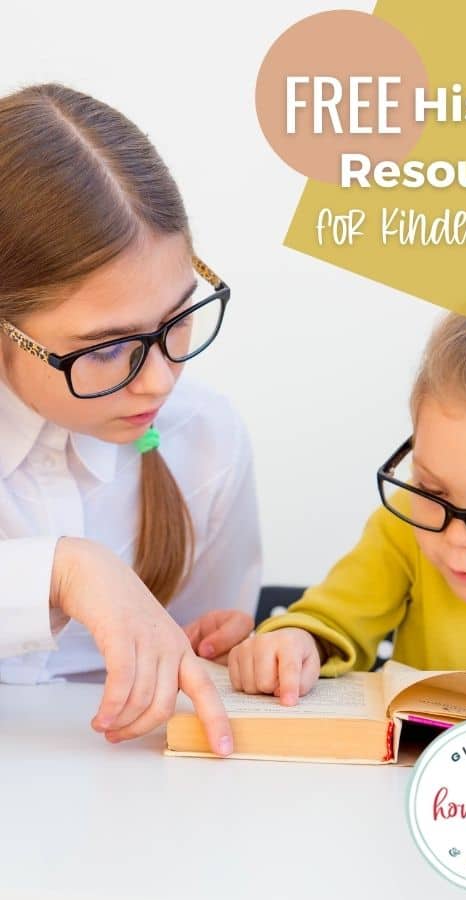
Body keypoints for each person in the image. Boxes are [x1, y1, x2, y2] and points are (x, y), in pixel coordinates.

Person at [0, 82, 261, 754]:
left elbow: (199, 671)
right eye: (108, 347)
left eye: (177, 320)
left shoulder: (205, 440)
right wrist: (63, 571)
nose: (161, 378)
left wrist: (230, 651)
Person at [230, 250, 466, 718]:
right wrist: (295, 642)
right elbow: (329, 622)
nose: (456, 544)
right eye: (433, 489)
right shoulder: (402, 529)